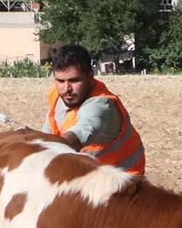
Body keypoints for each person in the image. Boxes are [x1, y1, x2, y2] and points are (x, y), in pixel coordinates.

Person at [42, 44, 145, 175]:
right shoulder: (58, 96)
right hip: (90, 177)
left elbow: (80, 134)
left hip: (123, 182)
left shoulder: (102, 105)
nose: (66, 88)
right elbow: (46, 136)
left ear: (90, 76)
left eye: (74, 80)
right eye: (60, 81)